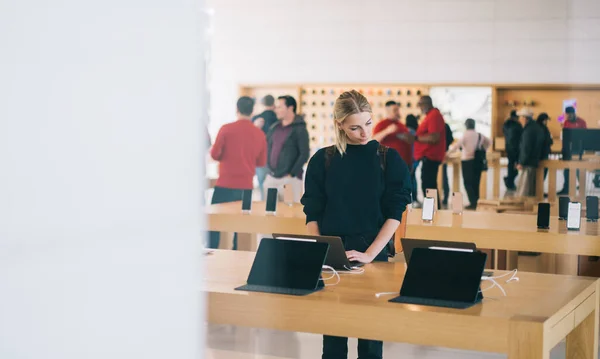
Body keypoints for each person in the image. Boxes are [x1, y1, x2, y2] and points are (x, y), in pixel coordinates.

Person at [301, 90, 411, 359]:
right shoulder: (322, 160)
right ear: (339, 125)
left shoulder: (388, 158)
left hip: (374, 256)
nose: (365, 133)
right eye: (355, 127)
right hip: (333, 256)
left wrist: (370, 254)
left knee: (371, 342)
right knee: (334, 340)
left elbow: (395, 213)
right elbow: (312, 212)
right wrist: (320, 251)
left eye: (369, 124)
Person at [209, 97, 267, 248]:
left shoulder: (226, 129)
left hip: (225, 184)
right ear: (252, 110)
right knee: (241, 230)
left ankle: (212, 259)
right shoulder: (259, 134)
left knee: (215, 226)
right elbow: (261, 162)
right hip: (246, 188)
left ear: (237, 109)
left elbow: (214, 154)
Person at [264, 95, 310, 202]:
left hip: (290, 180)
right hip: (272, 178)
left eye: (280, 107)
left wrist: (291, 174)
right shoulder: (275, 127)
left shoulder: (300, 129)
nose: (276, 110)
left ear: (290, 108)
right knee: (270, 213)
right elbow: (268, 148)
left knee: (289, 214)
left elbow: (304, 154)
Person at [446, 119, 491, 210]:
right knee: (476, 181)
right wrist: (483, 149)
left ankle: (473, 202)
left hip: (467, 161)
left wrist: (447, 153)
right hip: (477, 161)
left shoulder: (465, 135)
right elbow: (489, 142)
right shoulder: (479, 135)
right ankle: (476, 201)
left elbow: (456, 146)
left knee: (467, 182)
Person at [413, 95, 446, 209]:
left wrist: (416, 138)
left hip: (431, 156)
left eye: (420, 105)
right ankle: (432, 211)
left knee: (429, 186)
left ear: (426, 104)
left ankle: (432, 212)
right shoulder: (431, 116)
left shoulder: (434, 116)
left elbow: (434, 137)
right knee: (428, 185)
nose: (420, 108)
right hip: (428, 156)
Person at [372, 100, 413, 169]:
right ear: (388, 111)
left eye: (398, 110)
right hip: (388, 164)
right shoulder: (381, 125)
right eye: (395, 110)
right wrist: (387, 131)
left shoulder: (401, 125)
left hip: (404, 164)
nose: (397, 112)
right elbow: (373, 140)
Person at [252, 95, 278, 200]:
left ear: (263, 103)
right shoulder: (279, 119)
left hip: (261, 156)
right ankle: (279, 209)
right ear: (274, 104)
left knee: (262, 184)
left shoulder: (256, 119)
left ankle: (265, 209)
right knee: (277, 185)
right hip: (277, 157)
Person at [557, 106, 587, 195]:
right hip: (567, 150)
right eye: (567, 115)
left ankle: (582, 189)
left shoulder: (582, 122)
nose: (568, 117)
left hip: (578, 150)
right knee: (566, 169)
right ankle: (566, 188)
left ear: (574, 114)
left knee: (578, 169)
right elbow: (565, 137)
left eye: (570, 115)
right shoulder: (566, 122)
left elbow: (585, 136)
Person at [515, 108, 544, 198]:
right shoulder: (536, 127)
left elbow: (526, 148)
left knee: (524, 190)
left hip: (528, 163)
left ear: (525, 118)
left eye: (520, 117)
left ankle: (522, 208)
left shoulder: (528, 130)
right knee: (530, 189)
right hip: (534, 161)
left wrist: (521, 162)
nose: (519, 120)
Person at [503, 110, 522, 191]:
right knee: (516, 167)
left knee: (511, 165)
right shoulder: (517, 125)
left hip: (508, 147)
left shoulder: (506, 124)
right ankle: (509, 181)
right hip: (516, 148)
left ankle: (509, 180)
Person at [405, 114, 420, 205]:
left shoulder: (407, 132)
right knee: (413, 178)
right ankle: (415, 199)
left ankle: (409, 199)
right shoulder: (416, 132)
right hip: (416, 158)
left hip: (409, 159)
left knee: (408, 179)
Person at [536, 113, 553, 180]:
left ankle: (539, 188)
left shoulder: (543, 128)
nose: (546, 122)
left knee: (543, 171)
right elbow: (546, 140)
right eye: (545, 120)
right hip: (542, 153)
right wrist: (550, 141)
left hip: (543, 152)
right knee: (542, 171)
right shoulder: (541, 128)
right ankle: (538, 188)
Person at [441, 122, 454, 206]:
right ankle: (445, 197)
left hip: (437, 155)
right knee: (444, 176)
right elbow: (451, 139)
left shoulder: (440, 126)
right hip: (444, 153)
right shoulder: (446, 125)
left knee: (443, 176)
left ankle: (443, 197)